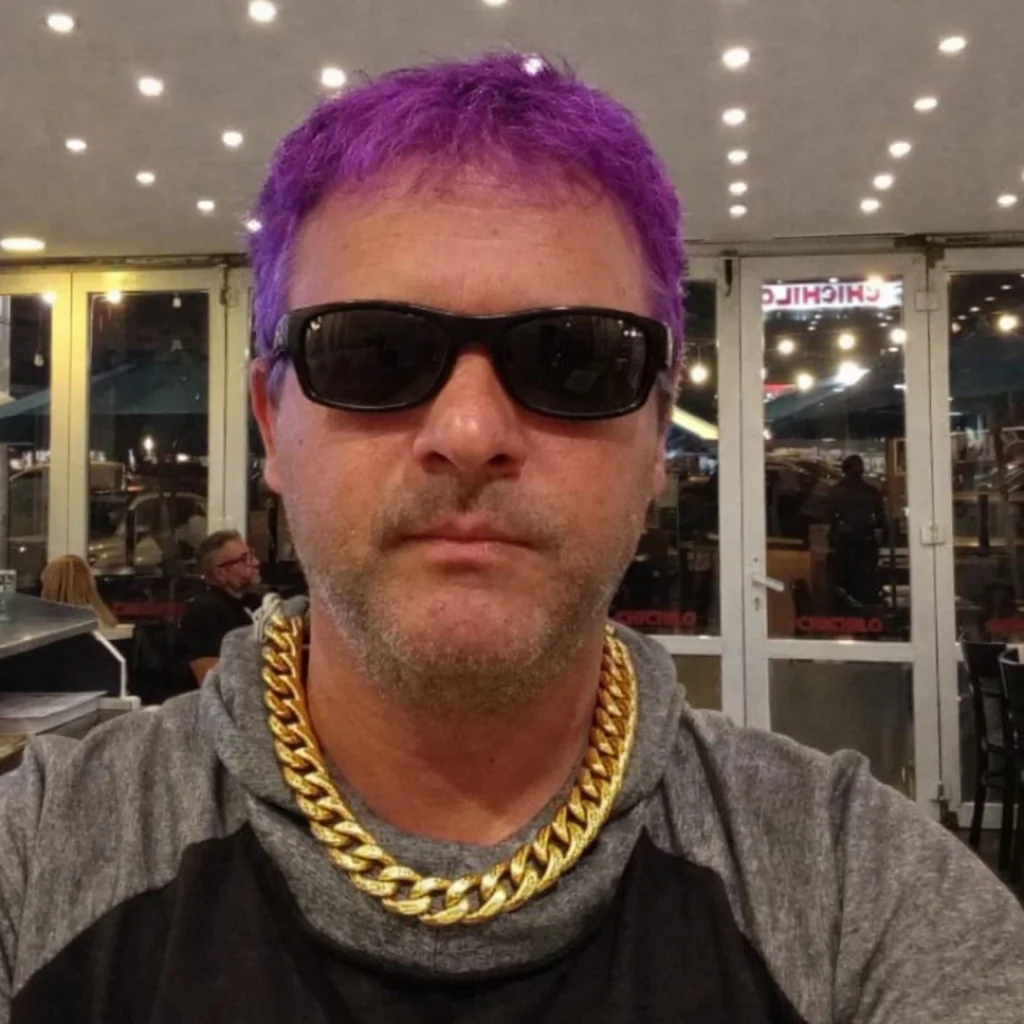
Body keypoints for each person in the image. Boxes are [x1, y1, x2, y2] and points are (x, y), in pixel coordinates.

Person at [0, 54, 1020, 1023]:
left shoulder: (860, 893)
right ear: (273, 424)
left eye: (574, 358)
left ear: (656, 432)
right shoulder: (44, 855)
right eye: (372, 352)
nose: (470, 431)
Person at [175, 529, 261, 685]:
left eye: (252, 555)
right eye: (245, 559)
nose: (255, 563)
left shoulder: (254, 603)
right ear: (220, 572)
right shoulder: (203, 612)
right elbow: (209, 679)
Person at [821, 454, 888, 608]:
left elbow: (828, 516)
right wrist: (883, 536)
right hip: (864, 542)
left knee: (844, 582)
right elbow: (881, 520)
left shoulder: (835, 492)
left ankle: (845, 609)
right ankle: (863, 609)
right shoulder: (870, 492)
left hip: (846, 542)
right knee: (864, 581)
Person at [39, 553, 118, 630]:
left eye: (45, 584)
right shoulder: (99, 620)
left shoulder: (58, 628)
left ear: (54, 588)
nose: (43, 591)